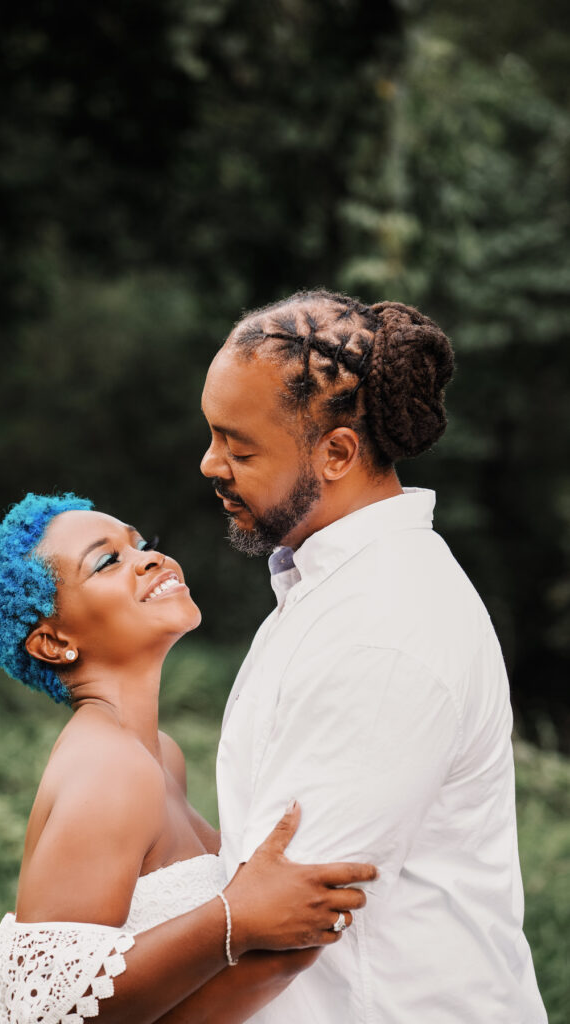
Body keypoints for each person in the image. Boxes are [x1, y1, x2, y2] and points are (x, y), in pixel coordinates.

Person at [200, 289, 547, 1023]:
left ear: (335, 453)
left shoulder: (384, 628)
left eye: (239, 447)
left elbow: (288, 926)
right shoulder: (326, 589)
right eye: (211, 437)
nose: (209, 465)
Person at [0, 491, 376, 1024]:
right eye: (108, 561)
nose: (150, 558)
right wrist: (235, 919)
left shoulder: (160, 755)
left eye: (142, 544)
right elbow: (44, 1011)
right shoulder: (110, 768)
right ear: (53, 641)